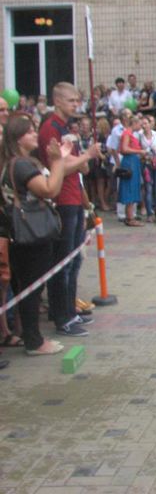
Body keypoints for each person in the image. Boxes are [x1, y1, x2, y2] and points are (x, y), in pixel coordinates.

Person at [2, 113, 72, 355]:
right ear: (19, 138)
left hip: (20, 234)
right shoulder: (21, 164)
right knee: (31, 287)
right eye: (30, 131)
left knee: (26, 286)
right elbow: (50, 189)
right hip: (31, 234)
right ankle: (35, 341)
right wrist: (58, 161)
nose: (36, 134)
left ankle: (28, 334)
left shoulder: (13, 163)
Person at [37, 83, 101, 337]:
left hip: (75, 196)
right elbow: (61, 165)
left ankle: (69, 309)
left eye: (78, 100)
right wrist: (86, 156)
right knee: (62, 262)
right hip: (62, 199)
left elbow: (77, 166)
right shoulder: (50, 128)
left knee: (74, 261)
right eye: (72, 100)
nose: (76, 104)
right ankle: (61, 315)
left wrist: (82, 160)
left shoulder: (66, 129)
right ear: (58, 101)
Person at [118, 115, 146, 226]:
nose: (140, 126)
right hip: (130, 162)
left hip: (133, 161)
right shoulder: (127, 134)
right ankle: (130, 218)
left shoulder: (129, 134)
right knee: (130, 188)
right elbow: (124, 149)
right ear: (133, 123)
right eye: (139, 123)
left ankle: (129, 216)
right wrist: (139, 151)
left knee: (132, 187)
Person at [138, 116, 156, 222]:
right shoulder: (140, 136)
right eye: (142, 124)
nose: (144, 126)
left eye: (145, 123)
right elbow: (139, 150)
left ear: (150, 124)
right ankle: (150, 213)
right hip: (146, 164)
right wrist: (143, 156)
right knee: (148, 188)